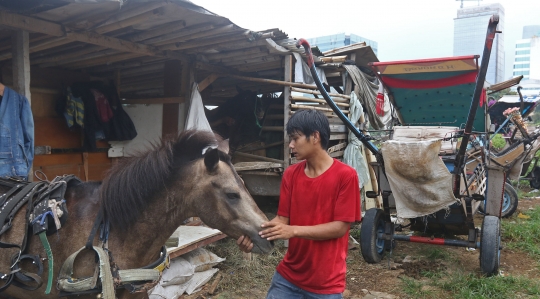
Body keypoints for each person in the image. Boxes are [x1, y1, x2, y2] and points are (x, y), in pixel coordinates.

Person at [237, 109, 361, 298]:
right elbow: (282, 219)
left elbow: (339, 228)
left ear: (315, 137)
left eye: (295, 138)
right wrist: (255, 236)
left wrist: (293, 231)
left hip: (325, 283)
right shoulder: (291, 174)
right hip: (288, 277)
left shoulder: (346, 175)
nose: (291, 145)